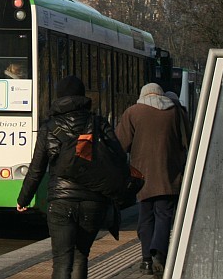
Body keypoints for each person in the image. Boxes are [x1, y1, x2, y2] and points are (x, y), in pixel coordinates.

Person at [17, 75, 111, 279]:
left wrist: (23, 199)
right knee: (81, 256)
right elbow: (116, 157)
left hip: (61, 202)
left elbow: (36, 169)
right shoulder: (98, 124)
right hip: (93, 200)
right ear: (82, 96)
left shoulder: (49, 127)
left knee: (62, 259)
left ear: (59, 97)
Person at [116, 83, 188, 276]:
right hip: (169, 174)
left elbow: (119, 145)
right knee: (164, 215)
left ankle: (146, 259)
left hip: (142, 175)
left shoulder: (133, 112)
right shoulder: (175, 112)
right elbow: (186, 140)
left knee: (145, 216)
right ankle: (159, 254)